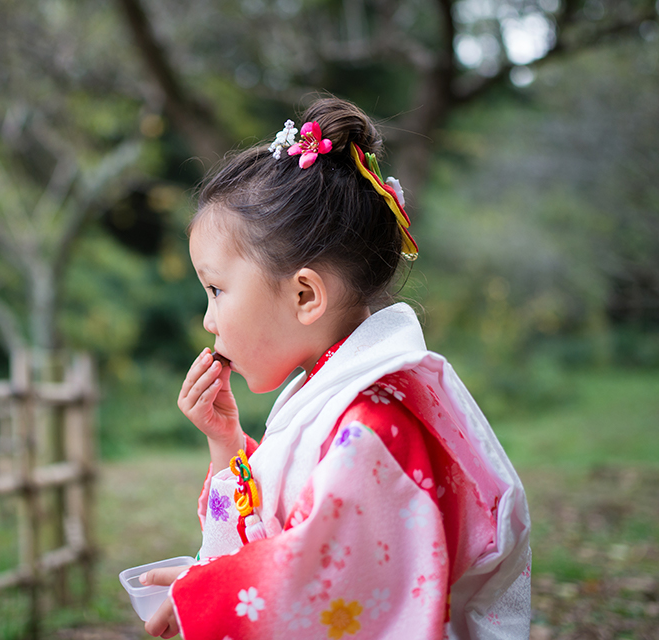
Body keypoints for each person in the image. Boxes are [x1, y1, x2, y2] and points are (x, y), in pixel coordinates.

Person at [137, 96, 531, 639]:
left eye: (216, 289)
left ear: (304, 295)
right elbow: (288, 540)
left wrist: (210, 591)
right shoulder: (340, 399)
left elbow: (323, 582)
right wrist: (227, 445)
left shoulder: (373, 427)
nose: (209, 321)